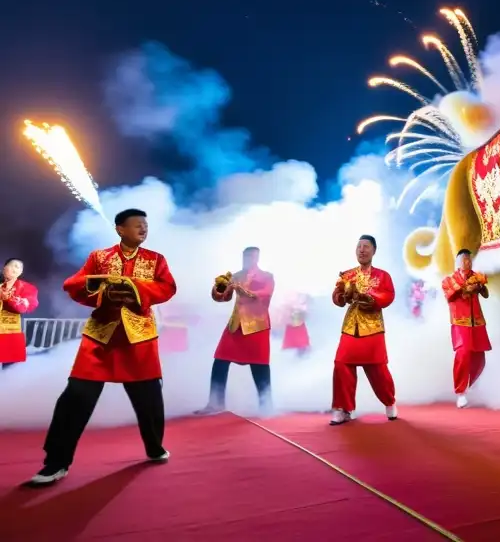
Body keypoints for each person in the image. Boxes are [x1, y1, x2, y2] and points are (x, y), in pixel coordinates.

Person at [27, 208, 177, 486]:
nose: (143, 229)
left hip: (138, 338)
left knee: (150, 400)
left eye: (146, 225)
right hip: (100, 339)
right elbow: (73, 283)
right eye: (136, 225)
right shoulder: (100, 257)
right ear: (120, 229)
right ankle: (55, 463)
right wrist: (101, 291)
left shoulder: (156, 259)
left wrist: (136, 290)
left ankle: (155, 446)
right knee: (75, 398)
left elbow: (167, 288)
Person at [196, 247, 275, 414]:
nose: (248, 259)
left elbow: (265, 294)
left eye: (252, 256)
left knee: (259, 364)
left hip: (257, 325)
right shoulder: (235, 276)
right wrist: (218, 287)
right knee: (220, 360)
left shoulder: (267, 277)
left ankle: (266, 405)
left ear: (258, 257)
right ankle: (215, 403)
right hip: (236, 325)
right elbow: (222, 298)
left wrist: (243, 290)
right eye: (246, 256)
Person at [330, 234, 397, 425]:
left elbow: (388, 295)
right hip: (351, 327)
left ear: (374, 251)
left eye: (366, 246)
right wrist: (342, 295)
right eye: (359, 246)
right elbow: (336, 298)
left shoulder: (382, 276)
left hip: (373, 327)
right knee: (341, 364)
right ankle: (343, 409)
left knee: (378, 369)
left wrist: (372, 299)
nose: (362, 250)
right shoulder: (347, 274)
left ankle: (389, 401)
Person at [441, 249, 492, 408]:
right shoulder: (449, 280)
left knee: (479, 358)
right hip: (460, 322)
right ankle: (460, 392)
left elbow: (486, 295)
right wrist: (465, 288)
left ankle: (472, 385)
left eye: (469, 260)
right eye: (464, 260)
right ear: (458, 262)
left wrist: (481, 287)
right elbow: (449, 295)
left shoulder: (476, 276)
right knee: (463, 354)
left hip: (477, 322)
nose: (467, 263)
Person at [1, 258, 39, 370]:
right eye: (11, 265)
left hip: (10, 333)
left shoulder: (27, 288)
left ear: (21, 272)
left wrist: (9, 298)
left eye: (18, 267)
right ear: (4, 268)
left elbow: (25, 307)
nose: (14, 268)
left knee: (10, 373)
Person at [281, 292, 311, 357]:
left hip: (296, 313)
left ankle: (302, 347)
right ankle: (301, 347)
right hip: (294, 314)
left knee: (298, 331)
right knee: (296, 331)